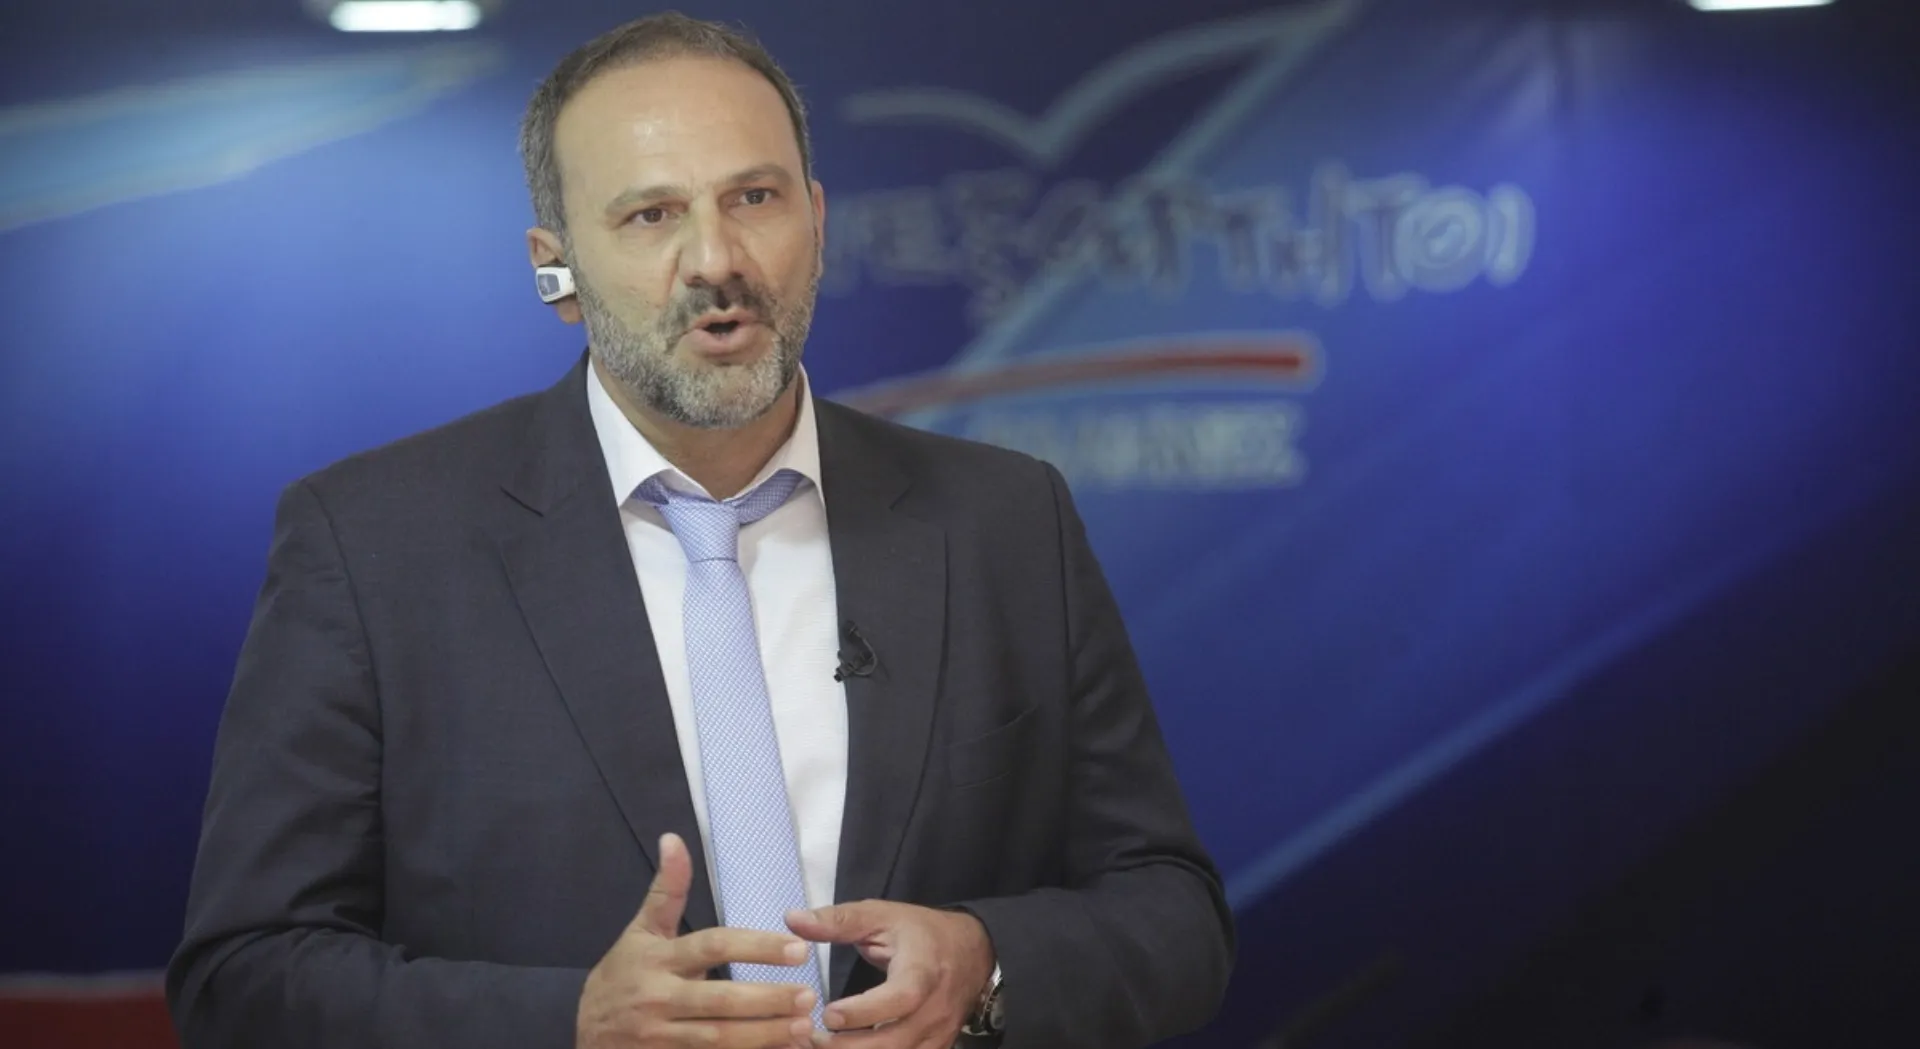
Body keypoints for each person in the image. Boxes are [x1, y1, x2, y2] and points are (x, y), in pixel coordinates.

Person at [165, 12, 1232, 1049]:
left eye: (754, 198)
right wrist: (569, 1025)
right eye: (650, 215)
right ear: (556, 269)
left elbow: (1174, 915)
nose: (716, 258)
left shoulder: (1005, 518)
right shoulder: (371, 545)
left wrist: (988, 962)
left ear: (817, 220)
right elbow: (244, 975)